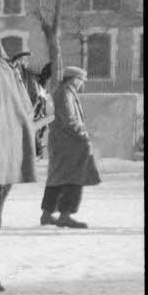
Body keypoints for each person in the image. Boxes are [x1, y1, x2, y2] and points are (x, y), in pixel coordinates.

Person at [40, 65, 100, 228]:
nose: (81, 84)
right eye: (81, 80)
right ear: (74, 79)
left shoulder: (61, 91)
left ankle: (47, 214)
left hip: (61, 143)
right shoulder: (65, 93)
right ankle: (65, 215)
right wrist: (83, 134)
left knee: (56, 178)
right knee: (74, 179)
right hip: (71, 144)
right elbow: (69, 119)